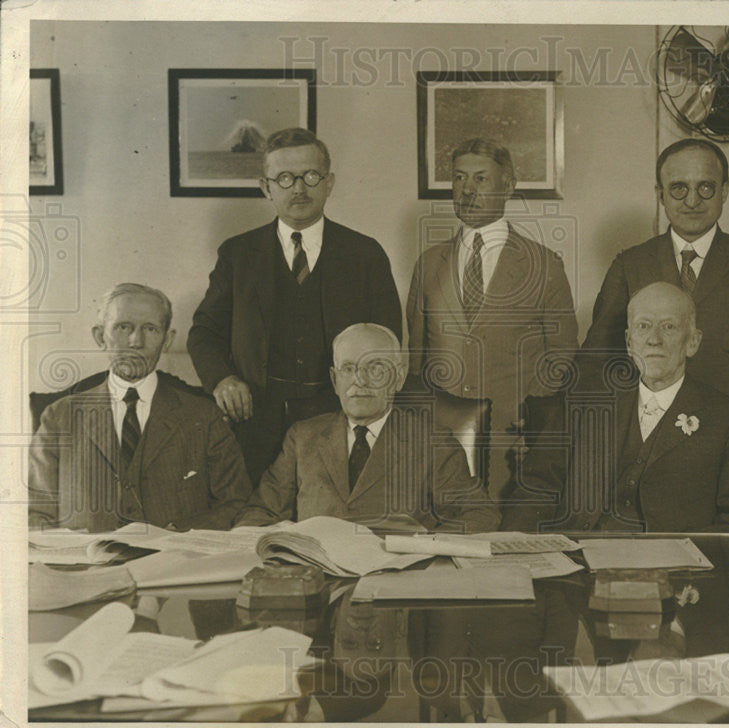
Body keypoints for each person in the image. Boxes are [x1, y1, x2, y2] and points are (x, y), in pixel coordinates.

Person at [188, 128, 402, 485]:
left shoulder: (365, 254)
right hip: (254, 423)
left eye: (311, 176)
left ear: (329, 182)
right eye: (285, 178)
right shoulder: (238, 254)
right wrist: (222, 380)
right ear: (265, 186)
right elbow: (203, 333)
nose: (299, 188)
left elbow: (388, 341)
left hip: (339, 421)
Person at [505, 282, 729, 533]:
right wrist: (516, 557)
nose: (654, 340)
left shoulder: (728, 418)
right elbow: (535, 489)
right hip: (580, 562)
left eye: (669, 327)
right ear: (629, 342)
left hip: (674, 570)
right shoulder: (585, 403)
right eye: (644, 326)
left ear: (692, 342)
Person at [406, 138, 578, 498]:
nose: (467, 189)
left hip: (512, 443)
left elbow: (561, 356)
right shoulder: (428, 264)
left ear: (508, 185)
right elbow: (417, 362)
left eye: (481, 178)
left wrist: (532, 422)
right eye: (458, 178)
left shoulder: (543, 265)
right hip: (441, 443)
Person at [579, 138, 729, 400]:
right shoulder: (630, 265)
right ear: (660, 194)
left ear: (724, 191)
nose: (692, 200)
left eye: (706, 187)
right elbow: (596, 363)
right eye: (678, 188)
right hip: (652, 431)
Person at [234, 323, 500, 532]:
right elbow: (259, 513)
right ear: (334, 379)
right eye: (348, 368)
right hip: (318, 580)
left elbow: (479, 515)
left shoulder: (433, 442)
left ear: (397, 378)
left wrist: (426, 547)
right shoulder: (302, 437)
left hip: (397, 582)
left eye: (375, 368)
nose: (359, 381)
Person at [29, 283, 251, 531]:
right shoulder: (59, 417)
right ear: (100, 336)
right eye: (124, 327)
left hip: (174, 565)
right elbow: (36, 514)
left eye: (150, 329)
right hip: (86, 565)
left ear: (167, 340)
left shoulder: (204, 416)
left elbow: (235, 504)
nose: (136, 341)